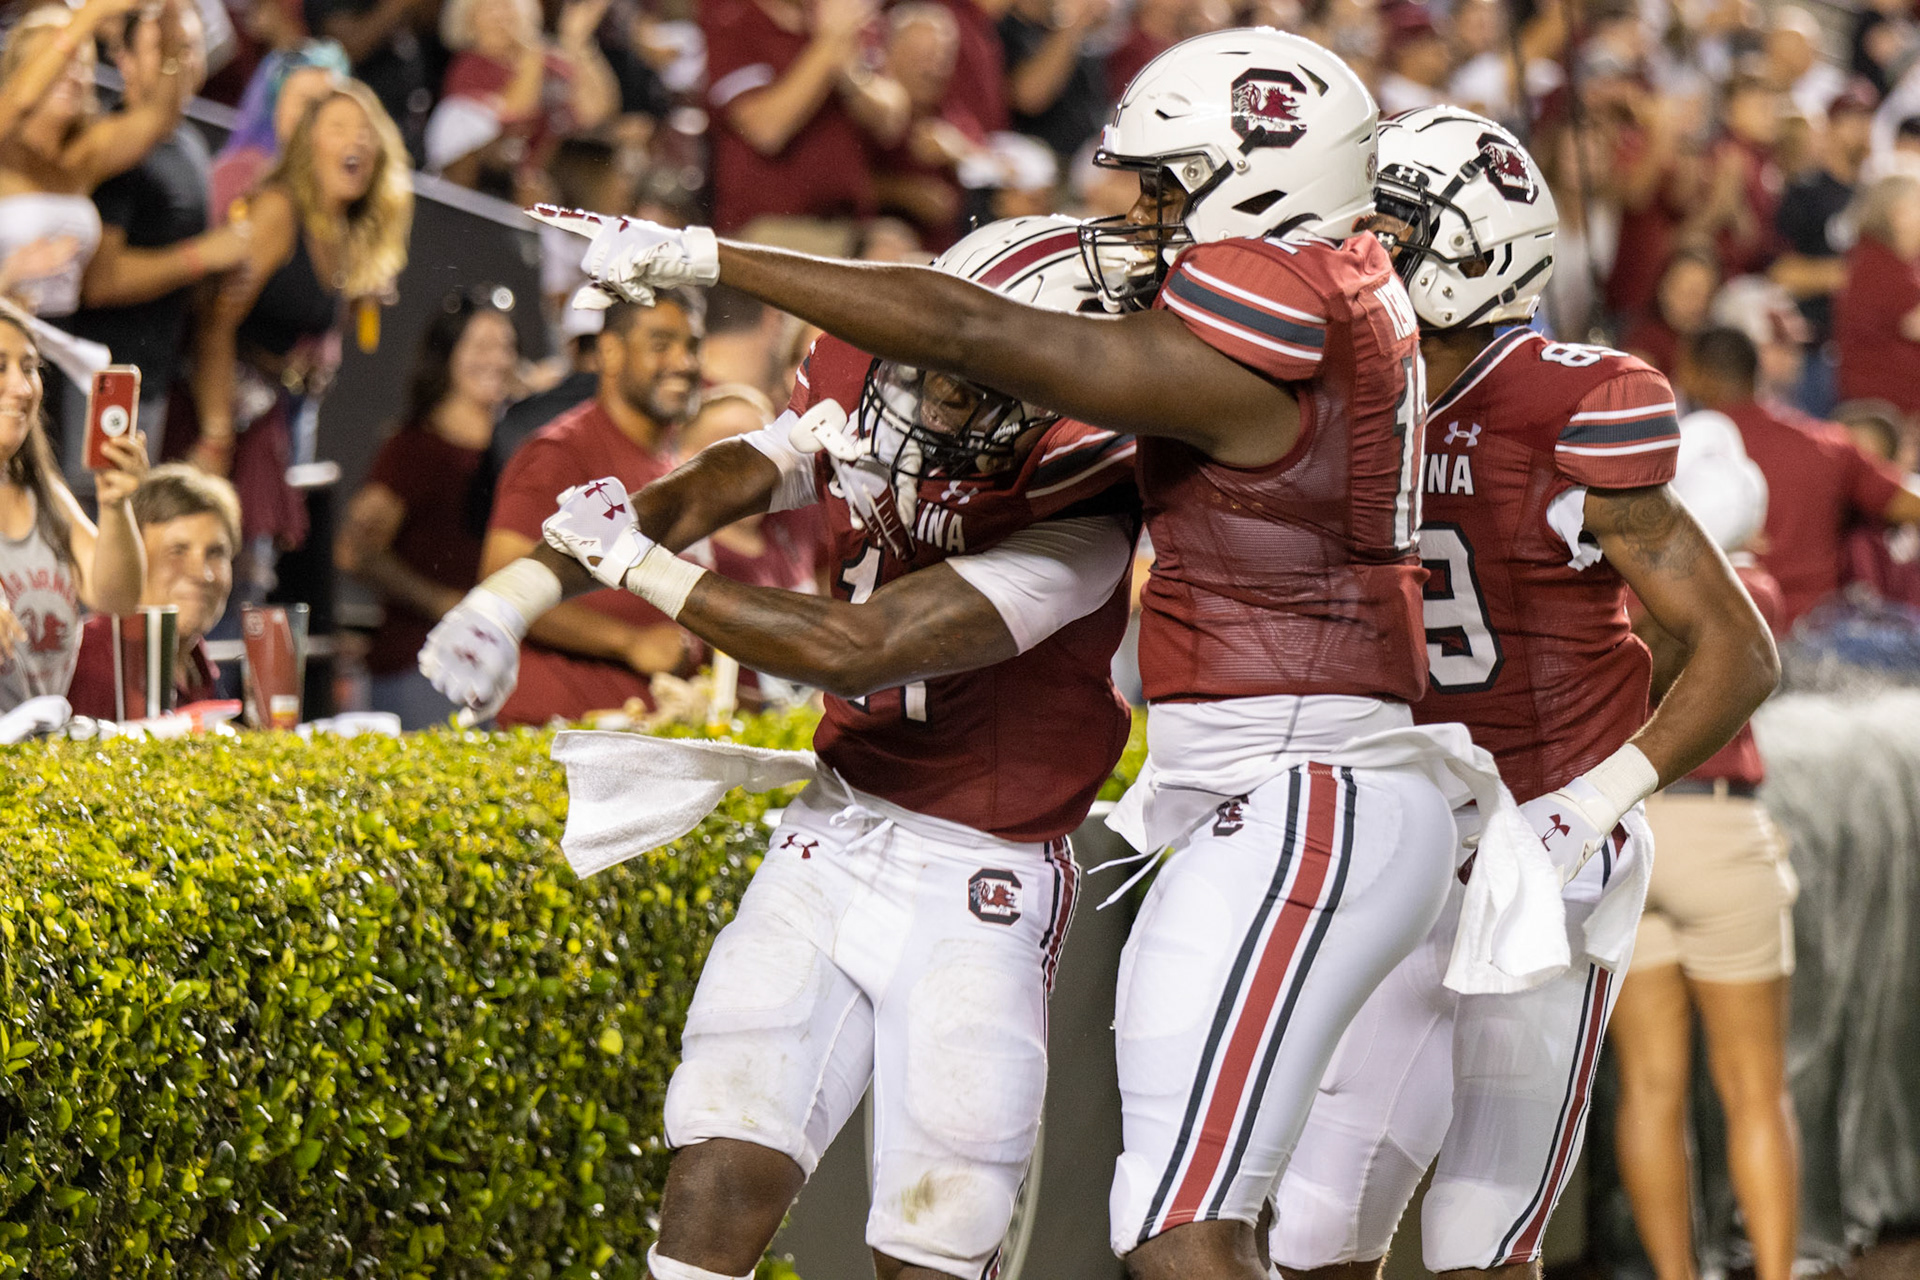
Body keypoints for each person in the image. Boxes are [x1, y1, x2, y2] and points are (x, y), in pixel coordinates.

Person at [536, 29, 1514, 1280]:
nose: (1150, 221)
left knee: (1141, 1228)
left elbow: (870, 606)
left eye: (1170, 186)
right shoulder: (1334, 283)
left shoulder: (1155, 424)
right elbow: (805, 431)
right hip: (1199, 790)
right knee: (1240, 1220)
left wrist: (708, 262)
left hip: (1237, 801)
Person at [420, 218, 1138, 1280]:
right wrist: (520, 591)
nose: (932, 399)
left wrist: (641, 566)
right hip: (835, 828)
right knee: (717, 1163)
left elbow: (861, 648)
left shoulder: (1085, 498)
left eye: (969, 379)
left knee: (935, 1234)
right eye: (926, 364)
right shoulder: (873, 386)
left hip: (979, 872)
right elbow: (728, 476)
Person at [1265, 106, 1779, 1280]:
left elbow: (1739, 649)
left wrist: (1586, 807)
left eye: (1389, 228)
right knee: (1312, 1226)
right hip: (1408, 837)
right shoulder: (1335, 393)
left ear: (1474, 246)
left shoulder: (1571, 400)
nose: (1363, 254)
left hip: (1544, 839)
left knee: (1480, 1237)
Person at [1610, 410, 1801, 1280]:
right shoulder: (1747, 587)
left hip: (1628, 831)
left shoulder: (1611, 588)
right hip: (1720, 826)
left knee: (1652, 1091)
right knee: (1754, 1089)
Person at [189, 79, 412, 566]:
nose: (356, 141)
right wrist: (215, 435)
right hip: (219, 415)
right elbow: (215, 323)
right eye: (338, 128)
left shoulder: (341, 231)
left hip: (271, 419)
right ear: (308, 143)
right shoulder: (278, 210)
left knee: (246, 575)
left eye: (365, 131)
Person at [474, 292, 699, 726]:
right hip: (555, 743)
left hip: (638, 740)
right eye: (661, 344)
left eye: (691, 346)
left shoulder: (672, 465)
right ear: (611, 352)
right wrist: (628, 642)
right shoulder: (560, 453)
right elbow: (501, 585)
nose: (684, 362)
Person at [335, 293, 517, 728]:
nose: (496, 359)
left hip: (495, 669)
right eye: (480, 346)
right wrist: (441, 601)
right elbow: (353, 551)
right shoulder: (415, 448)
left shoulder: (515, 450)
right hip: (423, 668)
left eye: (506, 347)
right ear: (447, 357)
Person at [0, 0, 246, 322]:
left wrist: (170, 13)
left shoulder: (81, 157)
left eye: (81, 63)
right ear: (21, 70)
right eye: (59, 60)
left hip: (57, 340)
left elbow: (159, 115)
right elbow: (21, 101)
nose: (71, 74)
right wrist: (92, 13)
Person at [1678, 326, 1920, 625]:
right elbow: (1911, 504)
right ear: (1756, 373)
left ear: (1695, 372)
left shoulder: (1677, 453)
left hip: (1715, 637)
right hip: (1811, 639)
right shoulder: (1825, 445)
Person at [0, 308, 146, 711]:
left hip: (37, 759)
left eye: (29, 368)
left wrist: (116, 505)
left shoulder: (44, 496)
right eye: (0, 367)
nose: (23, 387)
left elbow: (117, 597)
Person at [700, 0, 910, 248]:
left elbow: (892, 120)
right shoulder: (734, 19)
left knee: (902, 250)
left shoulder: (842, 20)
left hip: (850, 224)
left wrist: (848, 73)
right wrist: (828, 45)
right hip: (768, 233)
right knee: (889, 253)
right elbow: (766, 130)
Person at [65, 463, 239, 718]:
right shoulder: (94, 661)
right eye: (177, 551)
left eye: (215, 553)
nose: (203, 574)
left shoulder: (195, 659)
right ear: (131, 559)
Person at [425, 0, 619, 199]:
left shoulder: (547, 60)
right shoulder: (468, 67)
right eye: (488, 8)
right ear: (467, 20)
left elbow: (597, 110)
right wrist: (532, 56)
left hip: (550, 187)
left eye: (507, 6)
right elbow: (514, 113)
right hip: (490, 191)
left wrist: (578, 45)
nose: (500, 16)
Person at [208, 42, 352, 219]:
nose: (318, 115)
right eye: (305, 102)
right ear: (276, 107)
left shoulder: (349, 180)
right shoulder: (237, 175)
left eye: (328, 103)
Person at [1834, 170, 1920, 417]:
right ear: (1897, 214)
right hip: (1880, 412)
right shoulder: (1876, 263)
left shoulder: (1901, 263)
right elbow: (1914, 323)